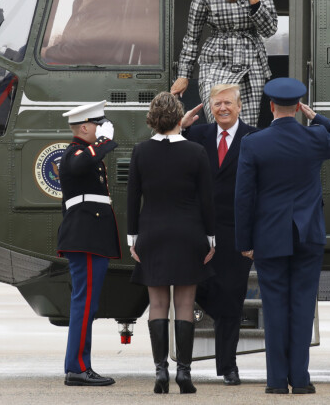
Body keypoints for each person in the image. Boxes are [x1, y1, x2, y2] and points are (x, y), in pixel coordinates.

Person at [234, 78, 330, 394]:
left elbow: (243, 196)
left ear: (271, 106)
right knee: (302, 306)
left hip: (270, 235)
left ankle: (276, 382)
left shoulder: (253, 142)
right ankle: (300, 380)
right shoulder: (315, 137)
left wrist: (244, 241)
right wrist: (317, 118)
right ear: (298, 108)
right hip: (308, 234)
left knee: (274, 308)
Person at [127, 92, 216, 394]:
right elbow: (207, 200)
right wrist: (211, 238)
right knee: (185, 305)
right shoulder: (196, 152)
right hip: (188, 234)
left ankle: (160, 371)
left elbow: (131, 198)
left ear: (151, 119)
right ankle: (184, 373)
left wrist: (132, 237)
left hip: (151, 233)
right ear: (180, 119)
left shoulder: (140, 152)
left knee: (157, 305)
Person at [180, 83, 256, 386]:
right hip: (199, 230)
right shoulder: (197, 135)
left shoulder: (255, 136)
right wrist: (180, 128)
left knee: (233, 300)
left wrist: (254, 237)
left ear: (239, 106)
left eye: (227, 103)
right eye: (216, 104)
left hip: (237, 233)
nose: (222, 108)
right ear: (210, 108)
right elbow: (165, 151)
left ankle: (228, 367)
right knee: (196, 289)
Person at [170, 0, 277, 127]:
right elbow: (192, 37)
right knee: (218, 120)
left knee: (245, 126)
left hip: (250, 63)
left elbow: (270, 30)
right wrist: (184, 75)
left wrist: (254, 0)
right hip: (215, 60)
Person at [56, 100, 121, 386]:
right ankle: (77, 368)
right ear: (85, 127)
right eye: (97, 124)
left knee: (86, 304)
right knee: (84, 304)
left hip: (89, 238)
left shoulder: (84, 154)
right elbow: (83, 162)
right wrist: (106, 140)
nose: (101, 129)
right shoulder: (74, 154)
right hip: (86, 238)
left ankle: (80, 365)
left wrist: (103, 140)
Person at [43, 0, 124, 65]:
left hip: (89, 65)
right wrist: (62, 42)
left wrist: (48, 52)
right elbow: (75, 37)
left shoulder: (108, 10)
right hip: (77, 59)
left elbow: (82, 50)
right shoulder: (82, 2)